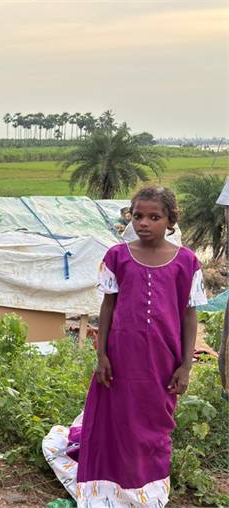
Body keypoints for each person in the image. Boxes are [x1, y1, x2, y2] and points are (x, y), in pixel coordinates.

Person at [45, 186, 208, 507]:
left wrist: (186, 365)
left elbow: (190, 316)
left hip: (162, 362)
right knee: (114, 422)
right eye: (138, 215)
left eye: (154, 217)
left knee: (153, 426)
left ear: (170, 220)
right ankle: (108, 491)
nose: (144, 223)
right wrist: (102, 354)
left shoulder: (187, 262)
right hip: (120, 360)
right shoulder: (117, 257)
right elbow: (108, 306)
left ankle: (145, 492)